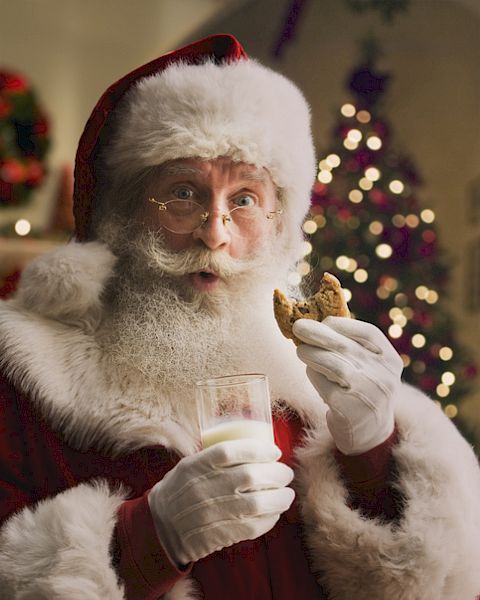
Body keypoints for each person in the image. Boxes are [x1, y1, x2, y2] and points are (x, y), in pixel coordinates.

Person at [0, 34, 479, 600]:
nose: (215, 232)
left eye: (245, 198)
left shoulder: (320, 377)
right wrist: (146, 541)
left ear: (280, 219)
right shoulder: (26, 375)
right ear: (120, 213)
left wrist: (373, 451)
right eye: (183, 192)